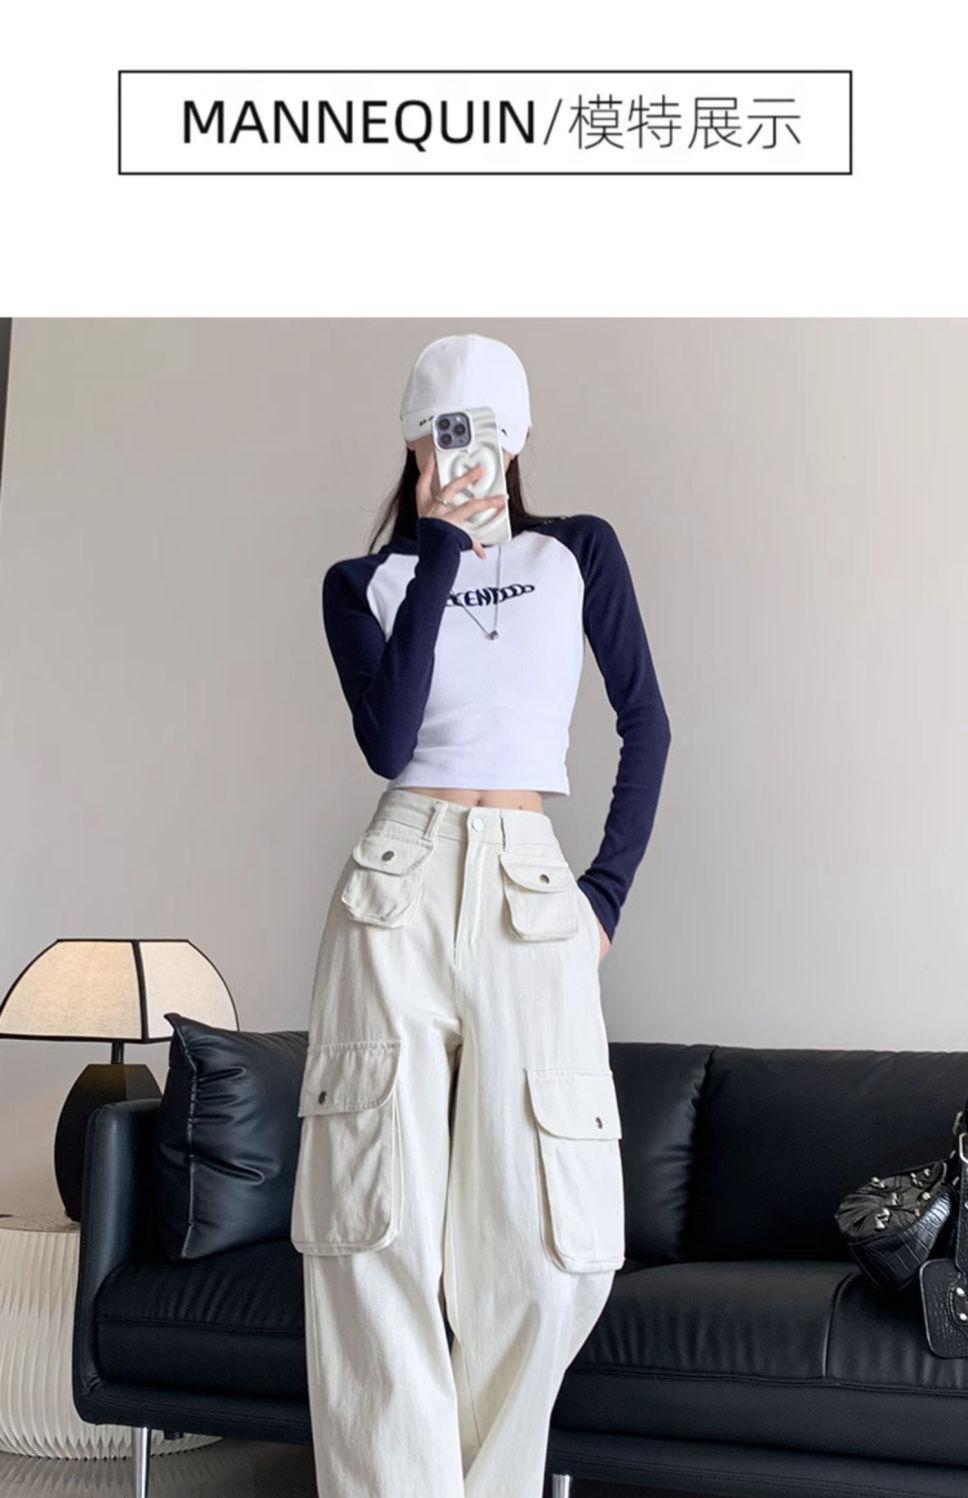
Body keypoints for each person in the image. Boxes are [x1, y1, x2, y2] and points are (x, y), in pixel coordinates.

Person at [290, 332, 672, 1498]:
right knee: (373, 1234)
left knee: (554, 1247)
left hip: (527, 884)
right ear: (412, 442)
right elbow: (389, 738)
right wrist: (438, 547)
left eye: (481, 430)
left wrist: (603, 895)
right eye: (437, 432)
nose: (461, 451)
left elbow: (646, 724)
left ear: (517, 438)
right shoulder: (362, 585)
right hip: (395, 882)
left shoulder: (576, 554)